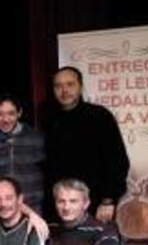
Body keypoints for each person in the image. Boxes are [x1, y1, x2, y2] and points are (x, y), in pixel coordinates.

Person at [42, 66, 129, 222]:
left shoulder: (100, 116)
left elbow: (117, 160)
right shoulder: (48, 120)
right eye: (58, 86)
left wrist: (108, 200)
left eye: (70, 84)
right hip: (59, 206)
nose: (64, 90)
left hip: (95, 205)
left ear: (80, 86)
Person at [0, 94, 46, 214]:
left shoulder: (36, 138)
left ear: (19, 113)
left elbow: (47, 171)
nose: (5, 119)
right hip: (2, 207)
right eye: (0, 114)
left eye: (11, 113)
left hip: (33, 206)